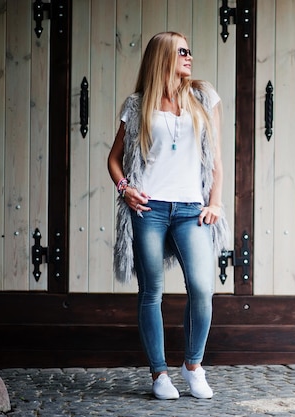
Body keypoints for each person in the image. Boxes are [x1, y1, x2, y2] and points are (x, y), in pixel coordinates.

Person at [107, 31, 230, 400]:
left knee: (202, 289)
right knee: (151, 292)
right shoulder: (137, 103)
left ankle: (192, 366)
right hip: (149, 207)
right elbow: (114, 159)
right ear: (163, 57)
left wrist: (215, 202)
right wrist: (125, 188)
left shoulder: (203, 98)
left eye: (190, 50)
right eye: (182, 52)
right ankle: (159, 373)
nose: (189, 57)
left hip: (191, 208)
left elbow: (218, 159)